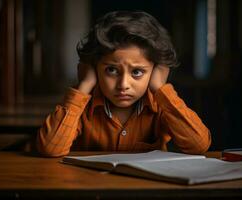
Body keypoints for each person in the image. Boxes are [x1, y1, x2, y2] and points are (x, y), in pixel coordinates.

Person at [37, 10, 211, 157]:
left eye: (137, 72)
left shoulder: (159, 105)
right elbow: (50, 148)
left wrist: (160, 88)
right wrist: (84, 85)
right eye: (111, 70)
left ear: (155, 71)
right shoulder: (83, 107)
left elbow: (198, 145)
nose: (123, 84)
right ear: (94, 67)